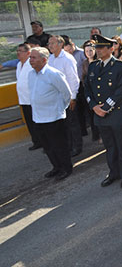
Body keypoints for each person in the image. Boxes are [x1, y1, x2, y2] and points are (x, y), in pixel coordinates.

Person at [85, 34, 122, 188]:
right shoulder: (93, 66)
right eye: (96, 47)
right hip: (100, 114)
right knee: (109, 146)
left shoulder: (120, 65)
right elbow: (87, 89)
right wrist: (93, 106)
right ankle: (114, 173)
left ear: (111, 48)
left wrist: (105, 108)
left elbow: (121, 90)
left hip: (116, 113)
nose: (97, 50)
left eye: (101, 47)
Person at [28, 47, 73, 180]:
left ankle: (66, 168)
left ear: (44, 60)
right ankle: (56, 167)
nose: (31, 60)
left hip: (54, 117)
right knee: (48, 146)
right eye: (30, 57)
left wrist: (59, 109)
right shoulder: (31, 74)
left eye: (34, 58)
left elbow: (66, 94)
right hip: (38, 118)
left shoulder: (53, 74)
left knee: (59, 145)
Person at [47, 35, 82, 157]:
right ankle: (67, 145)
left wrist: (73, 97)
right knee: (62, 124)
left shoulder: (67, 58)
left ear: (61, 44)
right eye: (49, 43)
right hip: (56, 98)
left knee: (72, 123)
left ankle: (77, 147)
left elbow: (73, 79)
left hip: (67, 96)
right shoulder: (50, 59)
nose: (50, 46)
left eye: (52, 43)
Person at [16, 43, 41, 150]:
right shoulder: (18, 65)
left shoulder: (31, 65)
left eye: (20, 51)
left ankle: (43, 142)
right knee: (29, 122)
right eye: (17, 51)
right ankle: (36, 141)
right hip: (23, 99)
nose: (18, 53)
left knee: (37, 123)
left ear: (28, 53)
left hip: (32, 99)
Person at [81, 40, 100, 141]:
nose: (89, 53)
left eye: (91, 50)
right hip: (89, 91)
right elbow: (83, 77)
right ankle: (95, 134)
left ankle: (102, 135)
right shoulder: (84, 63)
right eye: (87, 51)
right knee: (91, 114)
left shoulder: (99, 62)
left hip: (99, 91)